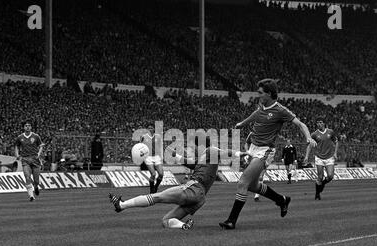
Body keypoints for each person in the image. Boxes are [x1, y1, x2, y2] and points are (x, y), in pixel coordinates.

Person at [219, 79, 317, 230]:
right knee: (252, 186)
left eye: (260, 93)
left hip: (265, 150)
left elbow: (300, 124)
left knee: (242, 182)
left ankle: (231, 220)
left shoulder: (280, 110)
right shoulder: (262, 107)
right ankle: (282, 200)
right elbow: (255, 115)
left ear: (269, 93)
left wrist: (308, 137)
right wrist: (242, 124)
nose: (257, 95)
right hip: (253, 148)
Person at [109, 136, 247, 230]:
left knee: (157, 197)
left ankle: (121, 205)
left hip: (194, 188)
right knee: (166, 221)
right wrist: (176, 155)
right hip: (199, 199)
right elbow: (189, 162)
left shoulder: (210, 151)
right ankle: (183, 226)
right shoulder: (205, 159)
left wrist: (241, 153)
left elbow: (225, 152)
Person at [304, 117, 338, 200]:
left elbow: (336, 142)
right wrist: (306, 156)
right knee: (320, 177)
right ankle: (317, 194)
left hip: (329, 157)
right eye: (317, 122)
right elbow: (309, 145)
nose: (318, 124)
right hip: (319, 157)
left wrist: (335, 153)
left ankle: (322, 184)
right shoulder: (314, 134)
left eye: (320, 122)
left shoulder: (330, 132)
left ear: (324, 123)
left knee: (330, 176)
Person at [14, 120, 45, 201]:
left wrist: (39, 154)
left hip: (35, 159)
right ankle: (31, 196)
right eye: (26, 125)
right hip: (25, 159)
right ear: (23, 127)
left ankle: (36, 187)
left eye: (29, 125)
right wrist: (17, 154)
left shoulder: (36, 136)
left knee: (36, 180)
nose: (27, 127)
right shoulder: (20, 137)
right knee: (27, 177)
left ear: (31, 127)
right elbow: (16, 146)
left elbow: (41, 145)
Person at [140, 125, 164, 193]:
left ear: (154, 129)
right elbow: (140, 146)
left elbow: (160, 146)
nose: (150, 129)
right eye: (149, 128)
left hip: (156, 157)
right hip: (148, 157)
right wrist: (141, 155)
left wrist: (161, 156)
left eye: (151, 128)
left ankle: (156, 186)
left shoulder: (158, 137)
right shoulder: (143, 137)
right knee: (153, 174)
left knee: (161, 174)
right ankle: (151, 190)